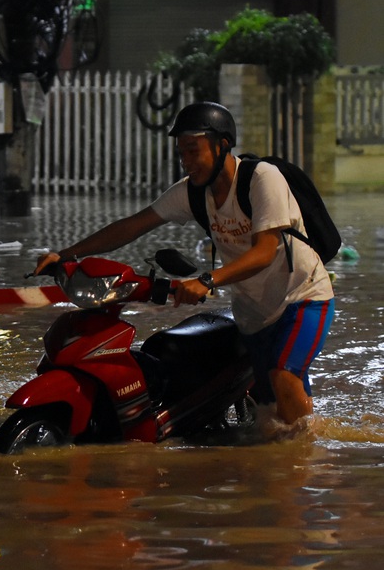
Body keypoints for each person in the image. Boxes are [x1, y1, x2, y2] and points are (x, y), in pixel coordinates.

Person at [33, 101, 335, 430]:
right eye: (181, 154)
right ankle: (289, 466)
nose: (186, 162)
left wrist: (207, 280)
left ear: (222, 145)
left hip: (302, 296)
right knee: (269, 416)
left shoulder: (262, 178)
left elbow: (264, 251)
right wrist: (66, 255)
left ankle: (312, 464)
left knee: (284, 375)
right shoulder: (191, 194)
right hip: (253, 312)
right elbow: (132, 226)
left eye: (194, 151)